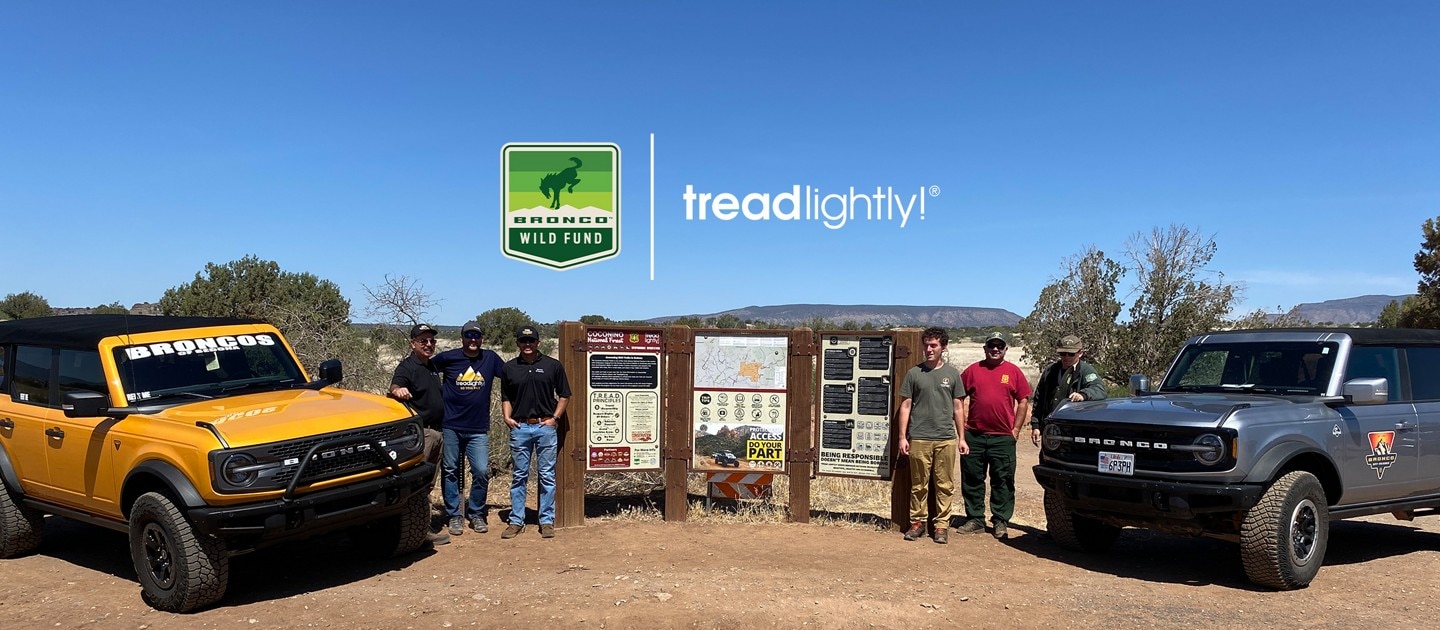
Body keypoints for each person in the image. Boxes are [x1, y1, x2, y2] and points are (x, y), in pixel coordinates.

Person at [897, 327, 970, 544]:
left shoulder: (952, 374)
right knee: (919, 484)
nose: (929, 349)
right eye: (926, 345)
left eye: (934, 345)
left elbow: (958, 407)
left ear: (943, 347)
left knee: (944, 484)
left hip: (946, 438)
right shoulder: (914, 373)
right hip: (919, 436)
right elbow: (906, 406)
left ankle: (941, 526)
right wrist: (903, 436)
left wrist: (962, 438)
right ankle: (917, 523)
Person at [432, 321, 504, 536]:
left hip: (477, 428)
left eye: (477, 336)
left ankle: (476, 513)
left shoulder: (490, 359)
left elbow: (512, 374)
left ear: (482, 339)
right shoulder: (448, 357)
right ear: (462, 337)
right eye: (469, 335)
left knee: (481, 471)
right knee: (451, 470)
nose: (473, 339)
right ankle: (454, 515)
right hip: (451, 425)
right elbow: (423, 369)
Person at [958, 332, 1032, 540]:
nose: (995, 349)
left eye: (1000, 346)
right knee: (972, 478)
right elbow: (958, 398)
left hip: (1003, 438)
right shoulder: (973, 370)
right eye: (992, 346)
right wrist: (962, 427)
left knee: (1003, 479)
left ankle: (1000, 520)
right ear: (985, 348)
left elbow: (1023, 401)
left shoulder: (1013, 372)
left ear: (1005, 349)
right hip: (975, 435)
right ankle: (975, 519)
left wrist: (1016, 429)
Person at [500, 325, 571, 539]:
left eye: (531, 341)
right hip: (520, 427)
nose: (527, 345)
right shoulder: (510, 368)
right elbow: (506, 397)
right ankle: (516, 521)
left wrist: (555, 418)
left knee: (547, 475)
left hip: (544, 427)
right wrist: (507, 418)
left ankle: (546, 521)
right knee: (519, 475)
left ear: (538, 343)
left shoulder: (552, 365)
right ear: (518, 344)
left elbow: (565, 394)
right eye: (523, 341)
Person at [388, 323, 451, 546]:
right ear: (412, 344)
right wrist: (398, 390)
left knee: (429, 482)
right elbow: (395, 385)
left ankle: (423, 525)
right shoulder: (408, 367)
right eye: (423, 341)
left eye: (431, 341)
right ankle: (415, 531)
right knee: (417, 482)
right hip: (421, 434)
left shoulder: (431, 366)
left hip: (438, 431)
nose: (428, 344)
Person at [1029, 335, 1106, 445]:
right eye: (1062, 353)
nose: (1066, 357)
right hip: (1052, 427)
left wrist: (1083, 394)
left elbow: (1099, 389)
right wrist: (1036, 425)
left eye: (1071, 354)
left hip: (1076, 428)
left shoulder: (1086, 371)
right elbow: (1039, 400)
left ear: (1080, 353)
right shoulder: (1050, 371)